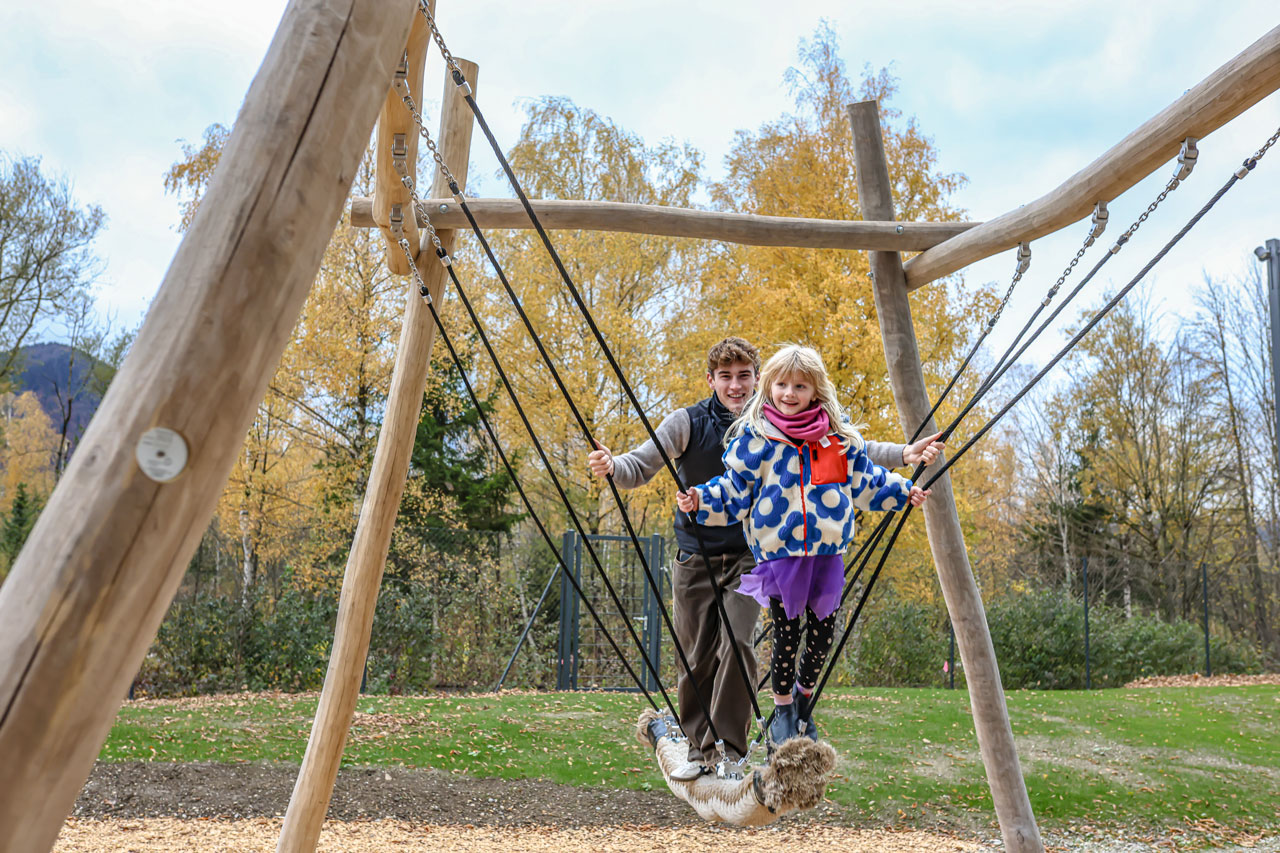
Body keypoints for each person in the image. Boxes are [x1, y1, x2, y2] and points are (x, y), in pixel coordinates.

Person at [590, 338, 941, 777]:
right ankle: (700, 752)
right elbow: (643, 466)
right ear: (712, 380)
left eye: (744, 376)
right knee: (695, 656)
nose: (736, 385)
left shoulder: (796, 425)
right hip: (697, 553)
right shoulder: (699, 424)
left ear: (758, 379)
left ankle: (734, 750)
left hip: (752, 557)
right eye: (725, 377)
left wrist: (904, 462)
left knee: (739, 646)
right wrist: (615, 467)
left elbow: (854, 455)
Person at [676, 344, 937, 747]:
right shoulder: (758, 437)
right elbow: (735, 488)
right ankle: (781, 709)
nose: (789, 394)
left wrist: (905, 491)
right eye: (781, 384)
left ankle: (802, 699)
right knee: (786, 635)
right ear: (769, 386)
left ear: (816, 390)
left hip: (826, 555)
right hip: (782, 556)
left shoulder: (835, 439)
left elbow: (866, 481)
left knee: (821, 636)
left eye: (800, 386)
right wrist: (700, 500)